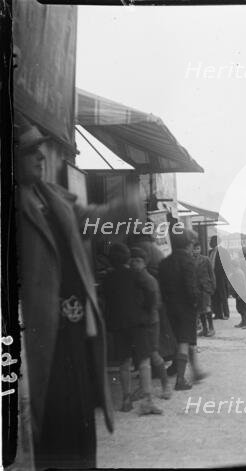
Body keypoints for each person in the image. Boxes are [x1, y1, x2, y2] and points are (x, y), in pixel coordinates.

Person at [13, 114, 142, 468]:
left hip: (75, 334)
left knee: (81, 423)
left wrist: (125, 207)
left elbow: (97, 219)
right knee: (50, 429)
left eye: (41, 149)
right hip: (37, 344)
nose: (40, 156)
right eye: (29, 151)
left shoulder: (53, 197)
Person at [103, 243, 164, 415]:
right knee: (144, 361)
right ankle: (148, 401)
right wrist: (146, 309)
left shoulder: (107, 278)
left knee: (124, 362)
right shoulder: (135, 274)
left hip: (118, 325)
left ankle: (126, 399)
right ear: (127, 258)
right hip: (138, 323)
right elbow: (151, 294)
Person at [159, 230, 207, 390]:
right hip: (186, 308)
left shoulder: (164, 262)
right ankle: (180, 379)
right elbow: (191, 288)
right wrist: (197, 304)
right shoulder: (188, 261)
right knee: (184, 342)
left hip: (170, 307)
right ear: (188, 244)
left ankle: (195, 371)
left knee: (183, 340)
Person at [129, 247, 171, 401]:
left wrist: (143, 313)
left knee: (153, 354)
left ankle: (166, 385)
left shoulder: (149, 280)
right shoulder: (133, 278)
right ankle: (144, 387)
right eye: (132, 260)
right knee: (141, 357)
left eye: (138, 261)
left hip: (150, 322)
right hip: (140, 322)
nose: (134, 264)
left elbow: (155, 304)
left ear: (145, 263)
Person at [192, 241, 216, 337]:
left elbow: (211, 274)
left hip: (205, 287)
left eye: (197, 249)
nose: (196, 251)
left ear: (200, 249)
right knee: (200, 309)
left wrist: (213, 286)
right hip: (196, 288)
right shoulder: (189, 260)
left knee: (207, 307)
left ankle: (211, 328)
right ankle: (204, 329)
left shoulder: (206, 260)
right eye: (194, 249)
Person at [209, 234, 231, 320]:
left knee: (223, 296)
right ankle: (218, 314)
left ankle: (226, 314)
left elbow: (227, 264)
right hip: (212, 278)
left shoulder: (224, 252)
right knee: (215, 296)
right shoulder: (210, 252)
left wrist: (225, 276)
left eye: (212, 241)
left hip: (221, 277)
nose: (210, 243)